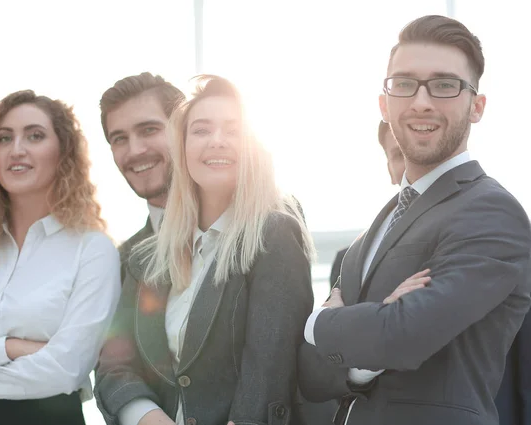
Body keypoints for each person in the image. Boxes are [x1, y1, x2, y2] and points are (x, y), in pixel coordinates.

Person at [298, 15, 531, 425]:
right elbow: (312, 377)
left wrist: (319, 321)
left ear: (476, 107)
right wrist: (365, 355)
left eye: (444, 85)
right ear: (385, 105)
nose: (421, 102)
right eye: (404, 84)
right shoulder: (372, 232)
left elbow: (404, 338)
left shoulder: (493, 212)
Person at [95, 75, 315, 425]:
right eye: (201, 131)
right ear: (182, 145)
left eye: (232, 130)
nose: (217, 142)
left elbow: (269, 364)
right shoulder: (142, 257)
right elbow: (114, 365)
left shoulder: (273, 231)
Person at [0, 90, 121, 425]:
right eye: (4, 138)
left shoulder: (92, 250)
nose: (16, 149)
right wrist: (12, 347)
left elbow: (66, 370)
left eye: (35, 136)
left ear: (62, 152)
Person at [99, 72, 185, 260]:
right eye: (120, 138)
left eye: (148, 130)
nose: (135, 150)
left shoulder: (250, 233)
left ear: (184, 130)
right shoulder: (119, 262)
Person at [329, 120, 405, 290]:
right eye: (399, 155)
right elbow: (330, 314)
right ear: (390, 170)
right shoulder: (347, 261)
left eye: (415, 152)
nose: (411, 163)